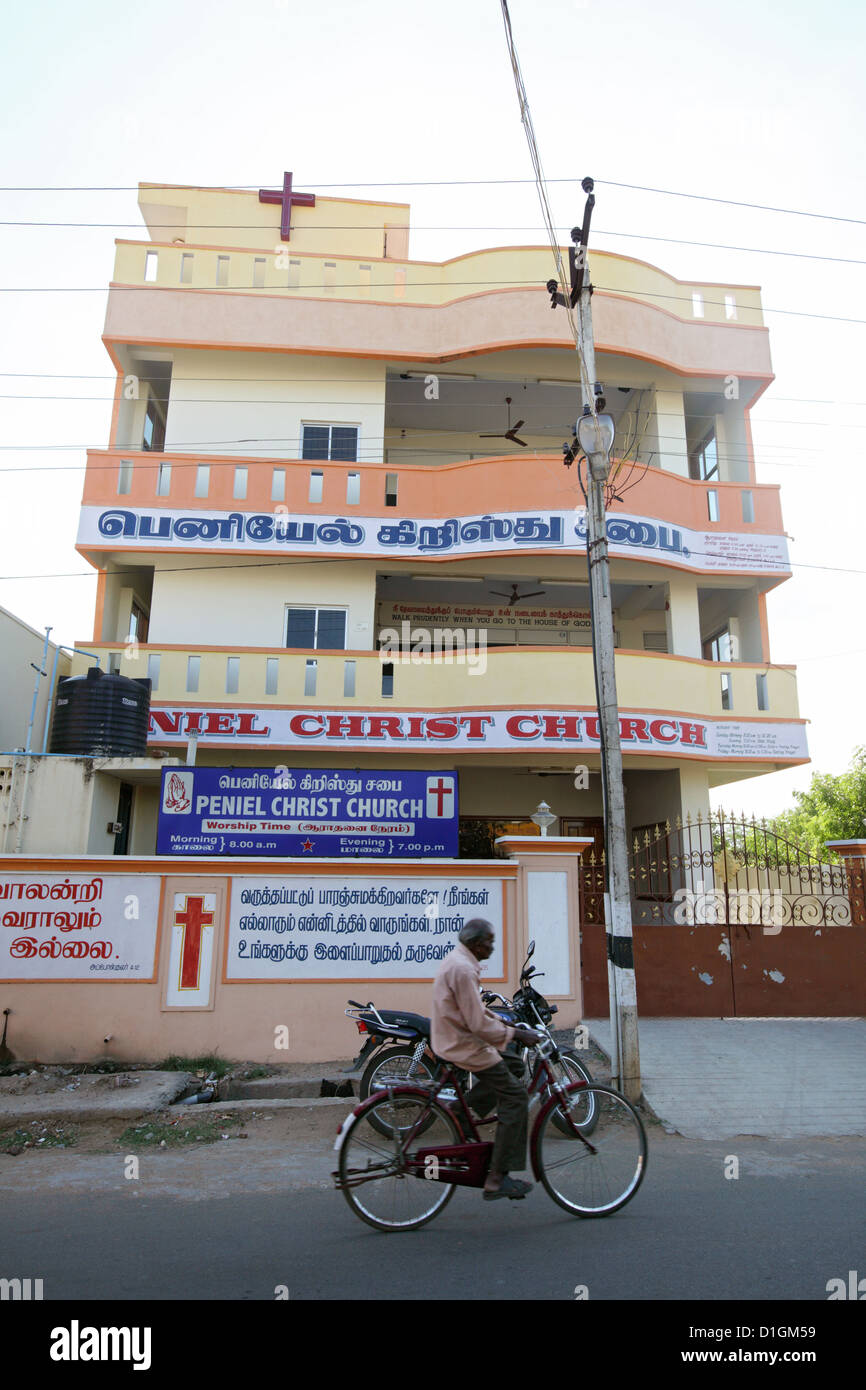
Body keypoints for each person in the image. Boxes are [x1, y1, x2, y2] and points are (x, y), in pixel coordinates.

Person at [431, 918, 540, 1200]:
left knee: (514, 1064)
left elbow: (476, 1010)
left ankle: (461, 1111)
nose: (492, 946)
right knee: (516, 1098)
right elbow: (478, 1024)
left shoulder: (460, 961)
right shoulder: (463, 969)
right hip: (462, 1042)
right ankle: (496, 1177)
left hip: (456, 1035)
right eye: (489, 942)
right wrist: (515, 1035)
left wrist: (510, 1026)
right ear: (476, 944)